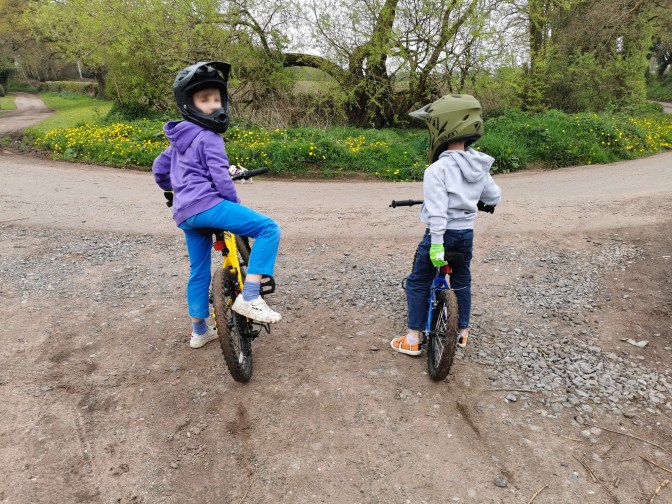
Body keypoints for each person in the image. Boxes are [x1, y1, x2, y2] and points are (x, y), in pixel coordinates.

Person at [153, 61, 282, 350]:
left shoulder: (176, 140)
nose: (212, 105)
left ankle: (200, 331)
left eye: (216, 98)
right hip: (209, 205)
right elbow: (221, 179)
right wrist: (234, 204)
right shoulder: (210, 137)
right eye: (204, 99)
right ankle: (250, 297)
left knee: (198, 271)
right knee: (268, 228)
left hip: (185, 214)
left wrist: (171, 191)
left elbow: (159, 171)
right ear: (190, 104)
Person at [391, 94, 501, 356]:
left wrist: (437, 244)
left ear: (441, 127)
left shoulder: (437, 170)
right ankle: (462, 333)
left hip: (441, 235)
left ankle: (413, 338)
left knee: (419, 281)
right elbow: (494, 197)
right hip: (465, 234)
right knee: (462, 281)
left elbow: (438, 213)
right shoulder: (479, 165)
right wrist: (475, 199)